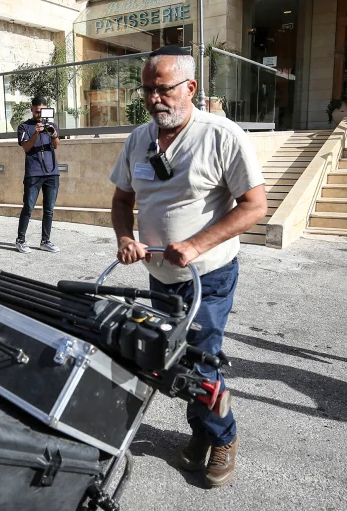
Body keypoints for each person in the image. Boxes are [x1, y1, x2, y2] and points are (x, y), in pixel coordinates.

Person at [108, 46, 267, 488]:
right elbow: (122, 200)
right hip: (159, 277)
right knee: (170, 362)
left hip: (207, 276)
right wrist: (125, 237)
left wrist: (196, 245)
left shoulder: (222, 135)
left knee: (200, 364)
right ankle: (202, 430)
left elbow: (254, 206)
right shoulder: (138, 139)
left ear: (190, 88)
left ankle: (223, 436)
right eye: (147, 90)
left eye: (163, 89)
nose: (153, 98)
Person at [14, 96, 62, 253]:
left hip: (51, 172)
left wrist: (53, 134)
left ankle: (45, 240)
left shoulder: (52, 125)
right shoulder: (24, 127)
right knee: (28, 206)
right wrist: (35, 133)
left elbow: (56, 145)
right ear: (32, 110)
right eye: (36, 111)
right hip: (34, 172)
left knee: (49, 209)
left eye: (42, 111)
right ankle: (20, 240)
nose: (39, 114)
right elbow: (26, 147)